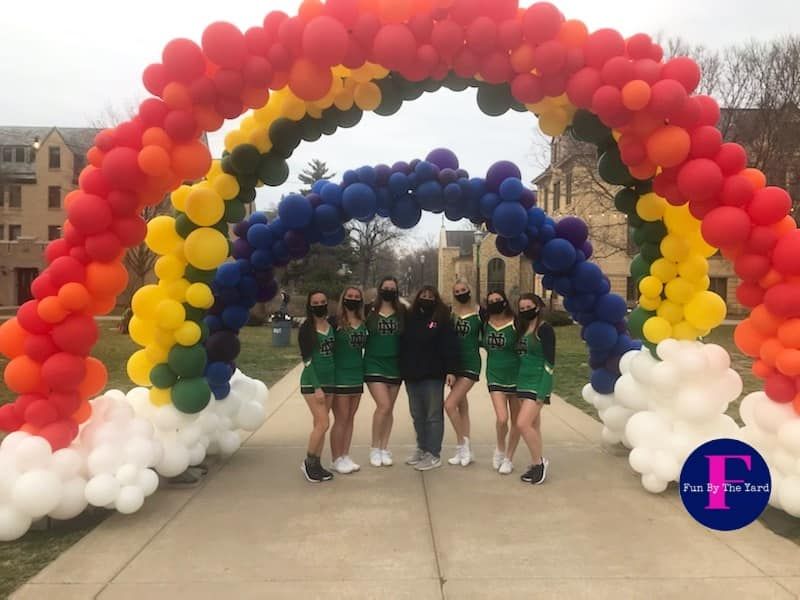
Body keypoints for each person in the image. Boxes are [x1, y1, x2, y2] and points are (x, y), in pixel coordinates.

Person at [400, 286, 460, 471]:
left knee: (433, 415)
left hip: (433, 374)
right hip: (412, 374)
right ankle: (422, 448)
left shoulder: (442, 318)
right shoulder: (409, 317)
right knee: (417, 415)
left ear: (436, 299)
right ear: (417, 297)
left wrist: (451, 370)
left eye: (430, 296)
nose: (426, 299)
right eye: (423, 295)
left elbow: (450, 345)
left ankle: (433, 454)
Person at [364, 277, 405, 467]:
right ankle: (374, 448)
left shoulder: (402, 312)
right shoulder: (368, 310)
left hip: (395, 366)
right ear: (380, 289)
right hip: (374, 364)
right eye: (386, 287)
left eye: (392, 288)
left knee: (389, 409)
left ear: (397, 291)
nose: (389, 290)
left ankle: (384, 448)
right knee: (384, 406)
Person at [515, 294, 555, 485]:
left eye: (528, 307)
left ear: (538, 307)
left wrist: (543, 391)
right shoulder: (523, 327)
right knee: (533, 426)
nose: (525, 311)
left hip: (537, 383)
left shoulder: (545, 329)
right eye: (521, 308)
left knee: (522, 424)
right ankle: (534, 462)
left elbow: (549, 362)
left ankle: (540, 463)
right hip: (522, 381)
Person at [298, 291, 336, 483]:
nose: (320, 304)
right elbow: (307, 360)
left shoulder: (331, 325)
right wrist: (317, 387)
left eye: (323, 301)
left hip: (330, 381)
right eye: (316, 302)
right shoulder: (306, 329)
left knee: (319, 426)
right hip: (313, 383)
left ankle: (317, 465)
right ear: (310, 305)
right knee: (323, 423)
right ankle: (308, 463)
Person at [445, 280, 483, 467]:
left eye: (463, 290)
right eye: (457, 291)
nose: (461, 293)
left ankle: (463, 446)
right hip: (454, 364)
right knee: (461, 407)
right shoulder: (450, 313)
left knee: (449, 405)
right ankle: (465, 448)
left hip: (471, 364)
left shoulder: (479, 312)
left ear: (470, 291)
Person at [331, 287, 368, 475]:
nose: (352, 299)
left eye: (356, 297)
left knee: (350, 418)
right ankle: (336, 458)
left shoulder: (363, 321)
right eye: (349, 296)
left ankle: (345, 455)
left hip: (357, 375)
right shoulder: (335, 322)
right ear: (343, 298)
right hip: (340, 376)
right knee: (341, 419)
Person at [484, 290, 521, 475]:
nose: (495, 303)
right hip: (495, 376)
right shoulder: (485, 324)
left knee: (516, 421)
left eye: (498, 300)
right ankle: (499, 448)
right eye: (491, 301)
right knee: (502, 418)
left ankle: (509, 458)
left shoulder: (516, 323)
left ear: (505, 302)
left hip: (515, 377)